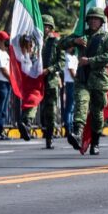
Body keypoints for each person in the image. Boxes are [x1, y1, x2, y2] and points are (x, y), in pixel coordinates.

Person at [61, 7, 108, 155]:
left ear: (101, 21)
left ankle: (95, 142)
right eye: (90, 18)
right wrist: (73, 40)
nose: (93, 21)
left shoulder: (107, 37)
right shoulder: (82, 36)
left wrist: (90, 60)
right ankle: (77, 133)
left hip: (99, 80)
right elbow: (61, 44)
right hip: (82, 78)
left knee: (97, 114)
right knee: (81, 105)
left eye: (96, 18)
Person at [37, 15, 64, 149]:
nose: (46, 28)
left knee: (50, 111)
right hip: (36, 79)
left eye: (48, 26)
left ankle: (49, 137)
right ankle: (28, 124)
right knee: (35, 106)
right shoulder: (36, 40)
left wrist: (50, 69)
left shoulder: (56, 41)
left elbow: (61, 62)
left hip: (51, 80)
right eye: (43, 25)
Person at [63, 43, 78, 134]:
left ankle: (71, 126)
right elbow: (71, 71)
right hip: (71, 82)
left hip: (73, 83)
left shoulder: (74, 57)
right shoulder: (67, 56)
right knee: (70, 106)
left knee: (73, 107)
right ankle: (68, 127)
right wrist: (77, 79)